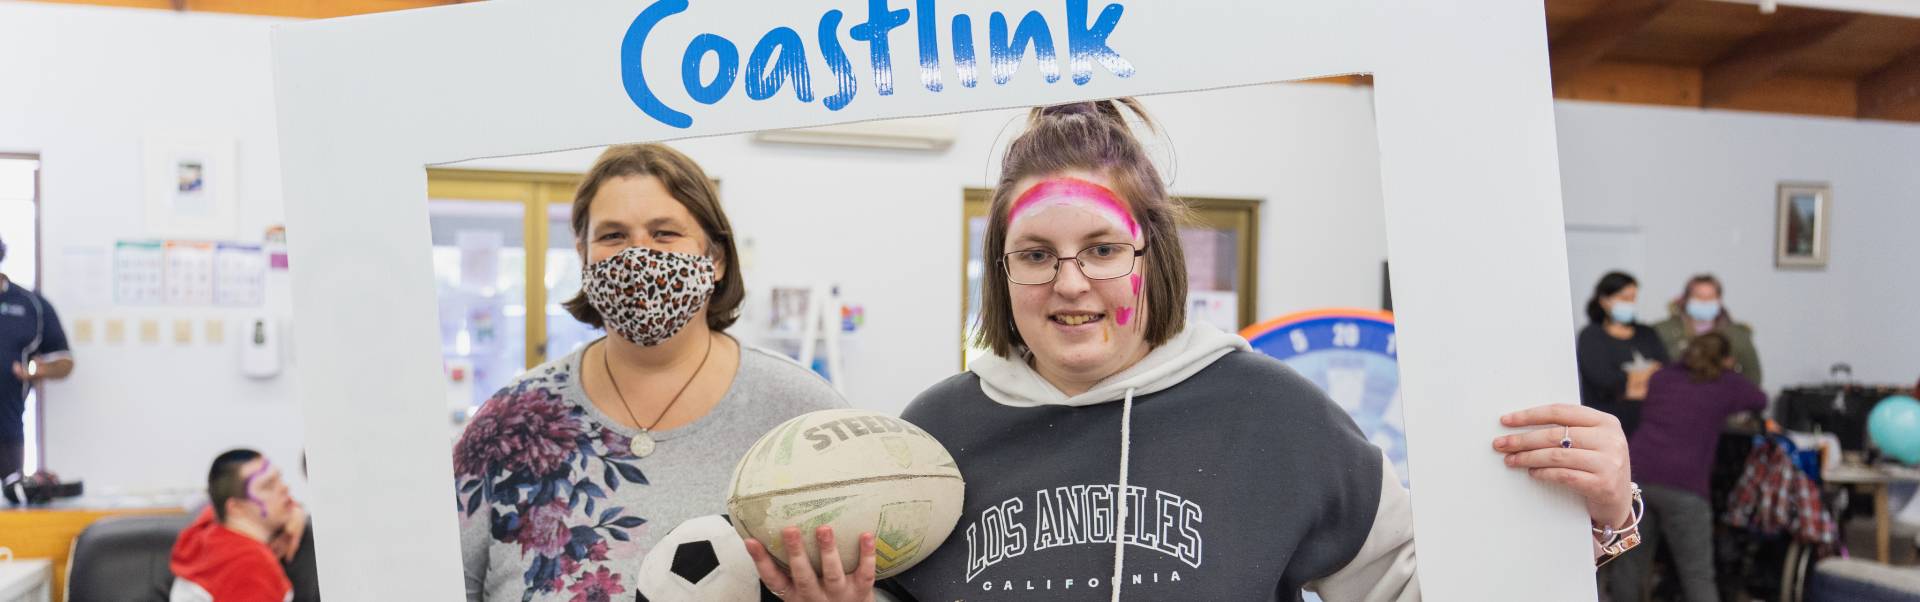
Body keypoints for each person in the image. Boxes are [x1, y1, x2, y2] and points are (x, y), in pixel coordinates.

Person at [745, 99, 1640, 601]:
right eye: (1035, 255)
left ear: (1153, 256)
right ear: (1001, 270)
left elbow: (1421, 594)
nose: (1070, 283)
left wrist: (1582, 525)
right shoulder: (930, 439)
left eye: (1102, 250)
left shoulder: (1275, 415)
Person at [453, 143, 845, 601]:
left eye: (664, 233)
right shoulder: (507, 426)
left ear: (714, 258)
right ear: (583, 254)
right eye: (613, 236)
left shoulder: (801, 416)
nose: (638, 256)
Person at [1608, 332, 1766, 602]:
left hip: (1637, 476)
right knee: (1696, 574)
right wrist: (1730, 371)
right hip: (1684, 486)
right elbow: (1760, 400)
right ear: (1726, 359)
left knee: (1628, 566)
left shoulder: (1661, 377)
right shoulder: (1726, 383)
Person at [170, 449, 305, 602]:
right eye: (268, 486)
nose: (284, 489)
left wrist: (294, 510)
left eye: (279, 479)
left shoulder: (204, 536)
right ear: (236, 508)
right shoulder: (250, 566)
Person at [0, 234, 74, 481]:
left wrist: (36, 372)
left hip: (7, 433)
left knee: (10, 514)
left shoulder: (31, 305)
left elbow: (64, 363)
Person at [1577, 271, 1670, 437]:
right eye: (1623, 298)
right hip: (1608, 426)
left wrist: (1631, 383)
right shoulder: (1591, 336)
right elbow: (1605, 381)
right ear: (1604, 301)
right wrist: (1647, 374)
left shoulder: (1647, 333)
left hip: (1650, 424)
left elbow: (1666, 373)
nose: (1630, 303)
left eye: (1633, 297)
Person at [1653, 274, 1762, 388]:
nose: (1704, 301)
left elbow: (1753, 376)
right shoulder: (1662, 330)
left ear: (1719, 301)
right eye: (1699, 296)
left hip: (1722, 400)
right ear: (1686, 299)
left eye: (1710, 297)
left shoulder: (1736, 334)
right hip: (1675, 396)